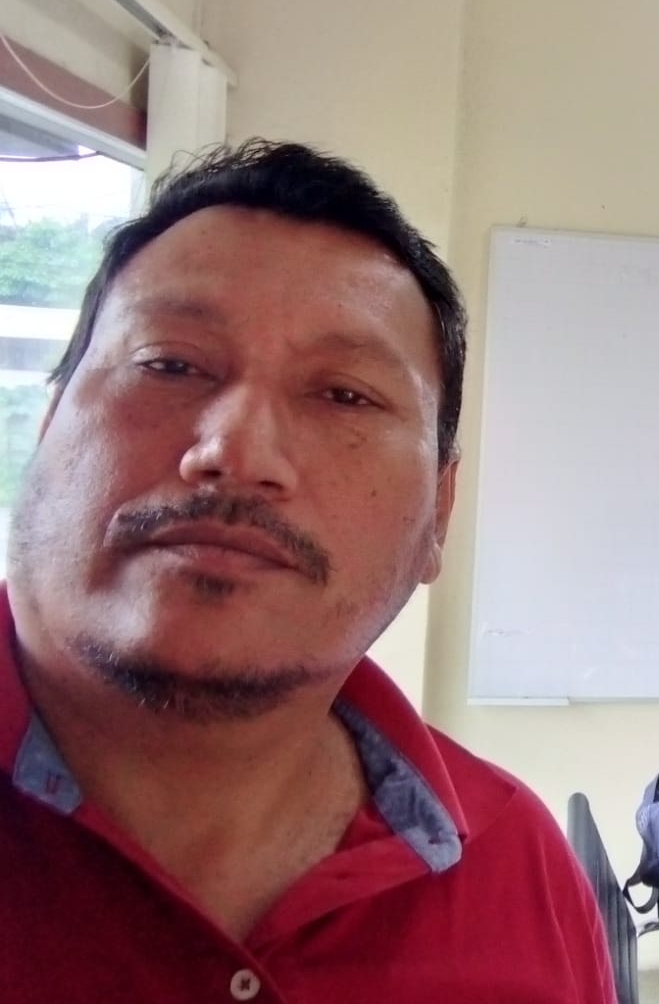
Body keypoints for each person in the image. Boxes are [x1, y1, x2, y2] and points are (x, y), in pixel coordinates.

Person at [0, 141, 614, 1002]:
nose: (236, 451)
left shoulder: (515, 866)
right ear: (47, 424)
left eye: (344, 395)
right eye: (169, 364)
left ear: (438, 513)